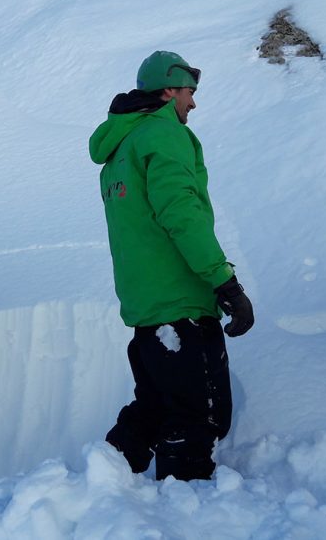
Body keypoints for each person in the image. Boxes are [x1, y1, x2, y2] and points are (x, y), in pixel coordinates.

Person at [88, 50, 255, 481]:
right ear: (167, 92)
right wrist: (226, 282)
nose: (192, 104)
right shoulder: (161, 136)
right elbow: (181, 215)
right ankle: (189, 506)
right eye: (188, 93)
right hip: (182, 309)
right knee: (201, 416)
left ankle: (102, 483)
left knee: (155, 406)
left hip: (148, 311)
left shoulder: (120, 148)